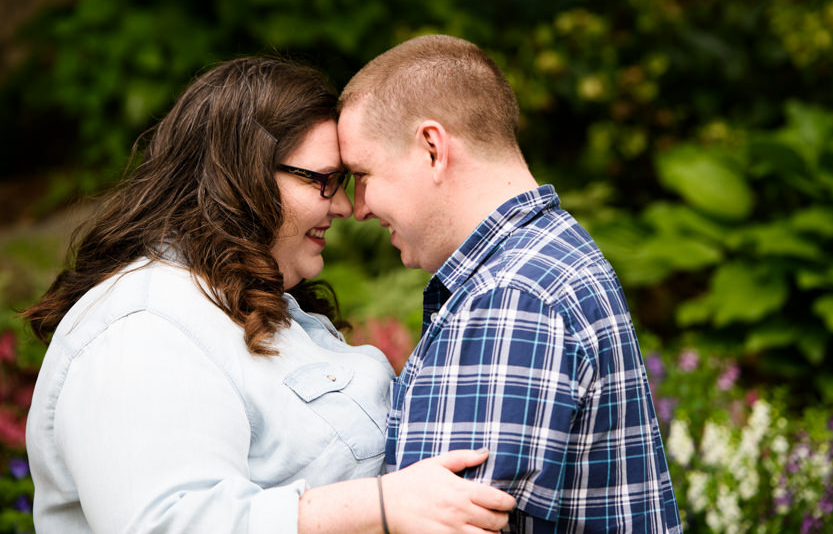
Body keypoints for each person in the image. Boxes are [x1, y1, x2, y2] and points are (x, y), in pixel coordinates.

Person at [22, 57, 515, 533]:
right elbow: (168, 521)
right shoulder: (144, 326)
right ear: (239, 177)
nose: (344, 205)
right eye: (324, 181)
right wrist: (380, 506)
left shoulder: (248, 303)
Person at [336, 34, 683, 532]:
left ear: (433, 148)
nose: (358, 206)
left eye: (362, 174)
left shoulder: (510, 296)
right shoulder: (550, 257)